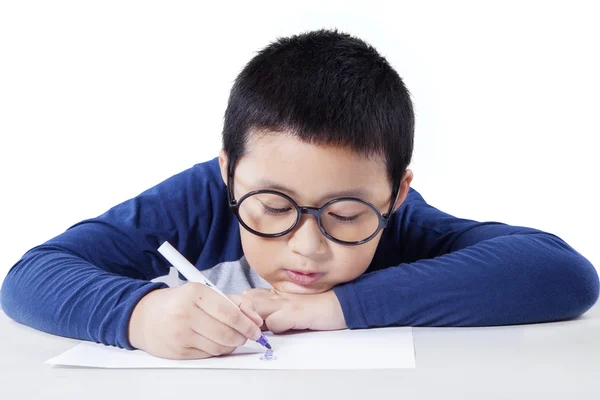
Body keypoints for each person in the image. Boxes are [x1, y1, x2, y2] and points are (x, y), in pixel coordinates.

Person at [1, 29, 598, 360]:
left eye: (345, 214)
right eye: (274, 207)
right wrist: (138, 316)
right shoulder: (197, 200)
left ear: (397, 194)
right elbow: (33, 275)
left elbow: (562, 273)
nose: (306, 247)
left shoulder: (400, 223)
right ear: (229, 173)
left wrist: (327, 310)